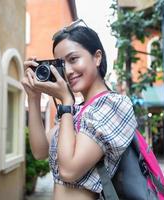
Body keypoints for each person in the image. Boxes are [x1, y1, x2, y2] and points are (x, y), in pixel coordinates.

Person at [21, 19, 137, 200]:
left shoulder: (114, 105)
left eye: (73, 59)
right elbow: (40, 151)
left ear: (97, 57)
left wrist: (66, 101)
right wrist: (33, 97)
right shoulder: (74, 110)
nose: (67, 71)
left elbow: (69, 170)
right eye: (61, 63)